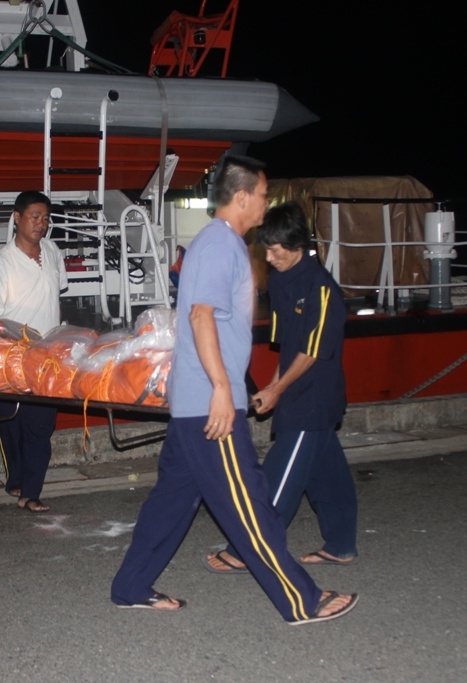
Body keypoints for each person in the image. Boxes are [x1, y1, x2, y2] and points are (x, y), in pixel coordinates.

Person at [110, 156, 358, 624]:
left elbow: (209, 320)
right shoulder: (220, 245)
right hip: (210, 404)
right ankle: (302, 600)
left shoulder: (219, 245)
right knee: (250, 506)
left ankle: (130, 587)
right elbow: (201, 315)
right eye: (264, 194)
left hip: (194, 405)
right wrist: (223, 389)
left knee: (171, 502)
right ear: (242, 197)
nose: (267, 202)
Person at [204, 201, 358, 575]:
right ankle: (340, 545)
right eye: (266, 249)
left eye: (276, 250)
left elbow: (312, 351)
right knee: (328, 475)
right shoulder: (281, 279)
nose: (270, 258)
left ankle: (246, 549)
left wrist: (278, 389)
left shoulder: (320, 287)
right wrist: (272, 387)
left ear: (298, 245)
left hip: (315, 397)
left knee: (278, 475)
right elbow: (288, 346)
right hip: (296, 393)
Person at [0, 191, 68, 514]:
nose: (40, 224)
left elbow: (56, 296)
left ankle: (31, 491)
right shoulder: (0, 265)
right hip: (9, 357)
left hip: (46, 357)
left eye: (45, 218)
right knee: (11, 424)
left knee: (41, 427)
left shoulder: (53, 252)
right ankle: (17, 477)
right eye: (34, 216)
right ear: (16, 217)